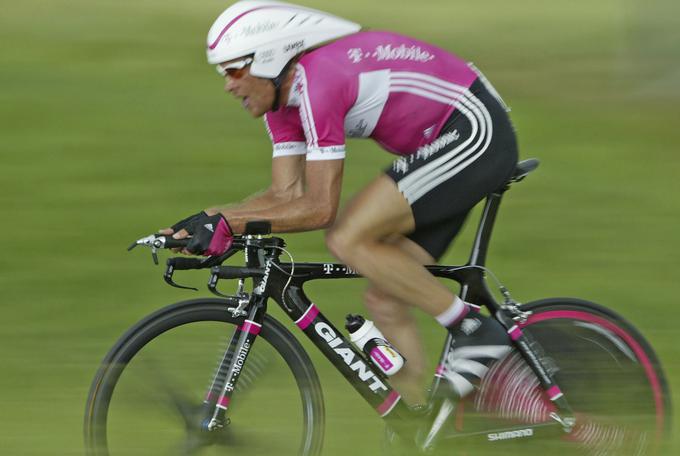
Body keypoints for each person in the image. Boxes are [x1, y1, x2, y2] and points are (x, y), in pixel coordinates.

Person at [163, 0, 518, 407]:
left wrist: (228, 221)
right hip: (439, 146)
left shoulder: (320, 83)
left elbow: (318, 208)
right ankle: (423, 425)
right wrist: (206, 220)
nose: (227, 83)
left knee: (348, 237)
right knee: (385, 299)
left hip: (475, 131)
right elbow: (284, 196)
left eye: (233, 70)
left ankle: (476, 331)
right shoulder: (282, 105)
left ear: (267, 59)